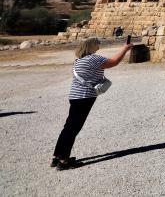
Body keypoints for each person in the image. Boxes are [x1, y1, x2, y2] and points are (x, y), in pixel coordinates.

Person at [52, 38, 133, 170]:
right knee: (73, 129)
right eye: (97, 42)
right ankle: (63, 161)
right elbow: (113, 62)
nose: (99, 45)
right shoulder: (92, 59)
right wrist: (125, 48)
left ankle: (57, 156)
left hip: (75, 96)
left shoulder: (79, 60)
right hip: (84, 97)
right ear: (91, 45)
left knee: (68, 127)